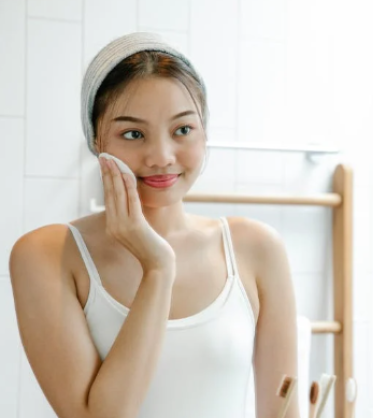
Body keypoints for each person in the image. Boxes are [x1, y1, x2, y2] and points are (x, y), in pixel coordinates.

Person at [9, 32, 298, 418]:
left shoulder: (257, 247)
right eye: (133, 134)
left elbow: (283, 412)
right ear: (96, 141)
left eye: (183, 130)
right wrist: (157, 268)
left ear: (205, 132)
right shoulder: (47, 255)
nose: (161, 157)